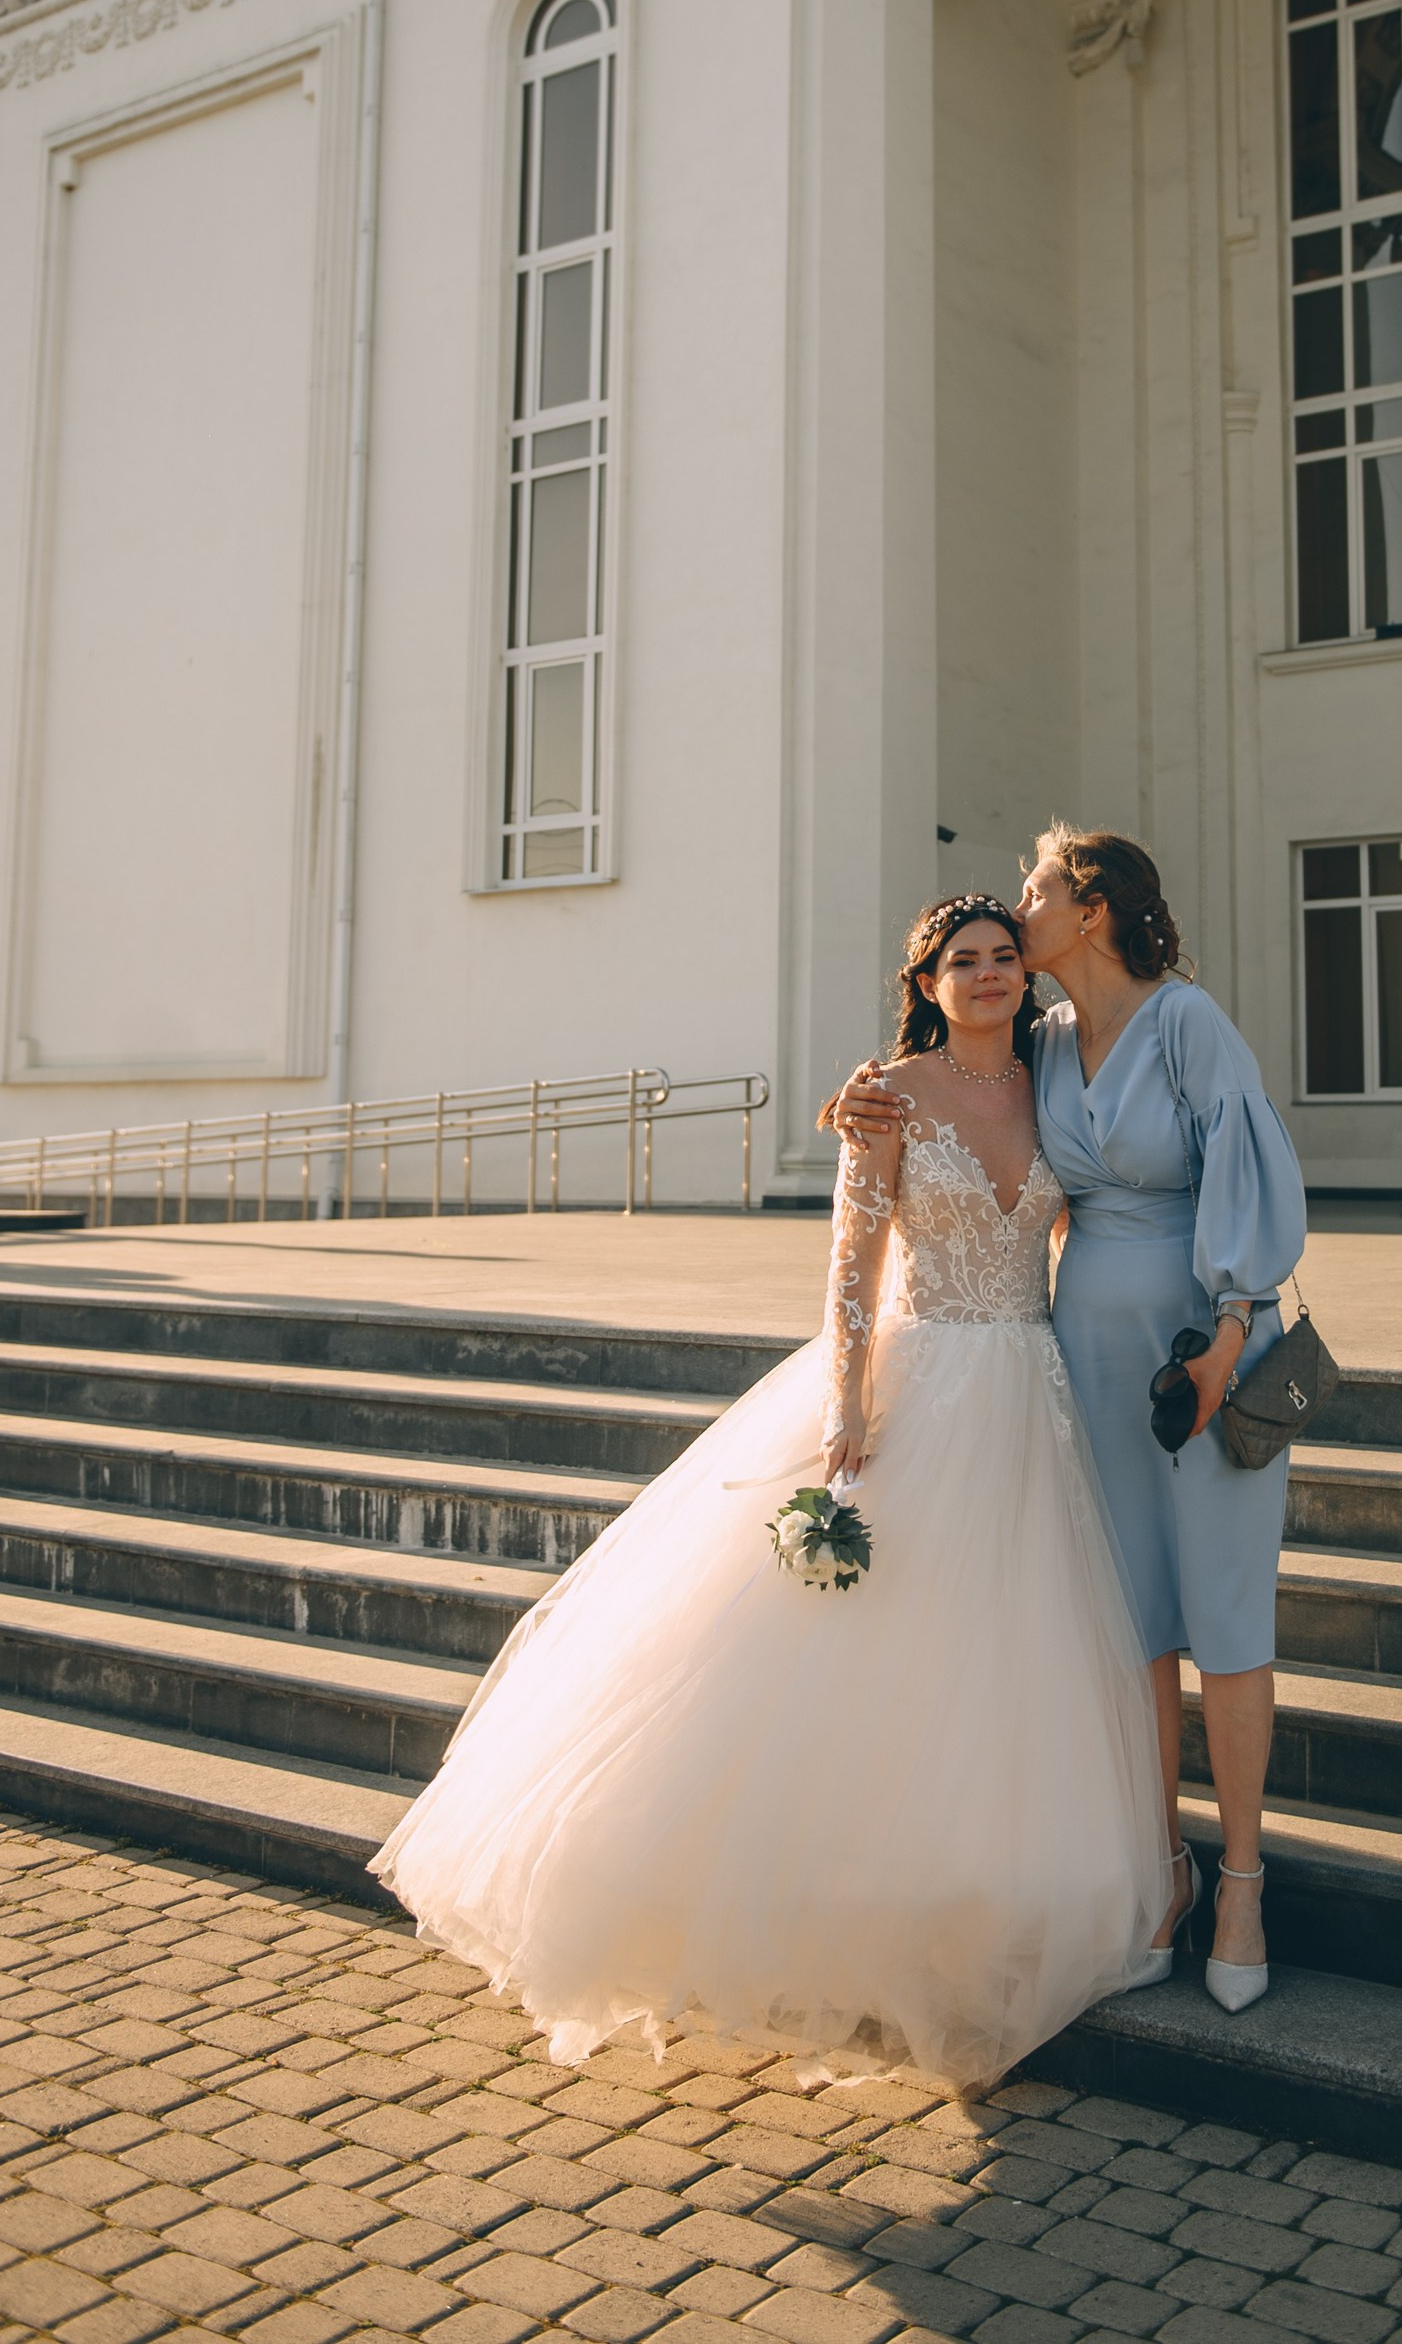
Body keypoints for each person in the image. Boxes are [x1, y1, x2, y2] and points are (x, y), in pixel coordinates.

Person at [371, 892, 1170, 2091]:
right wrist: (849, 1399)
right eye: (967, 961)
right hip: (922, 1380)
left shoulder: (1059, 1077)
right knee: (877, 1642)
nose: (995, 973)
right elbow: (851, 1263)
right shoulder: (888, 1096)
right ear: (927, 980)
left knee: (1005, 1653)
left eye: (1008, 955)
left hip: (1033, 1396)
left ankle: (1000, 1890)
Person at [832, 827, 1305, 2013]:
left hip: (1199, 1351)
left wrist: (1228, 1343)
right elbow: (954, 1079)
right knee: (1133, 1617)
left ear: (1086, 911)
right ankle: (1160, 1871)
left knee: (1227, 1617)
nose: (1018, 912)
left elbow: (1249, 1172)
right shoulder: (1038, 1041)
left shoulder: (1187, 1021)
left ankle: (1241, 1880)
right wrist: (862, 1100)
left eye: (1036, 892)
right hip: (1078, 1359)